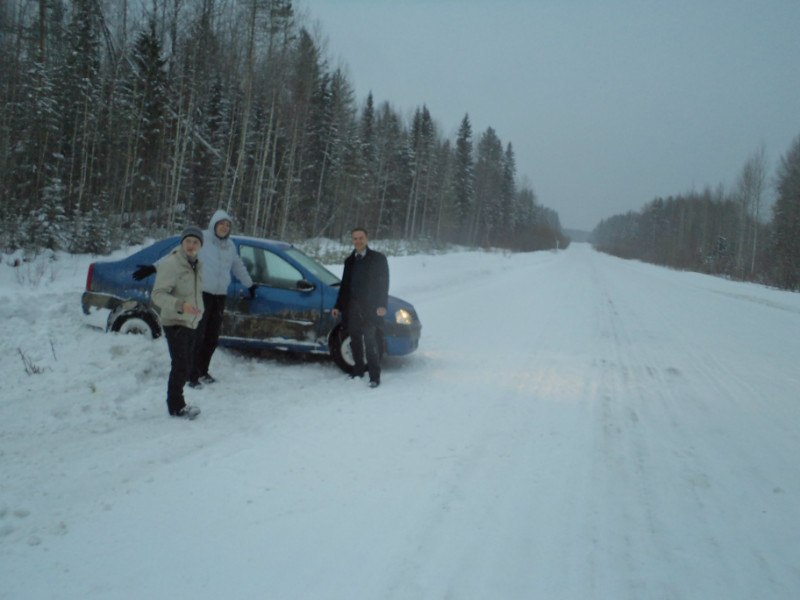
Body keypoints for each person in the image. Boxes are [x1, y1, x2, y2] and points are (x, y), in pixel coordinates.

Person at [188, 209, 255, 388]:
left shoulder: (230, 246)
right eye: (221, 224)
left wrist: (249, 284)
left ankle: (203, 370)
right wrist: (155, 268)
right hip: (202, 294)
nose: (225, 227)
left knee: (212, 337)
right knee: (198, 336)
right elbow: (179, 255)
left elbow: (238, 266)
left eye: (227, 225)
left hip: (219, 296)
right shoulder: (201, 239)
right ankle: (191, 375)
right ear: (214, 224)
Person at [151, 226, 205, 419]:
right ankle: (176, 406)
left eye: (196, 242)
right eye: (188, 241)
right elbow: (157, 295)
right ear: (182, 242)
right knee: (181, 364)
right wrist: (181, 305)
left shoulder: (197, 264)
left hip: (190, 321)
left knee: (186, 363)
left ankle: (176, 402)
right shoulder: (171, 264)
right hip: (174, 320)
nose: (191, 246)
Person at [331, 228, 389, 388]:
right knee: (355, 341)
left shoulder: (378, 259)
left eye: (361, 238)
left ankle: (374, 376)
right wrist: (338, 306)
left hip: (371, 309)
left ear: (367, 238)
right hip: (353, 308)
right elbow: (345, 286)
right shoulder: (350, 261)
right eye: (355, 238)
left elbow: (384, 284)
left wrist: (382, 305)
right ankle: (358, 371)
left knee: (370, 342)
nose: (358, 241)